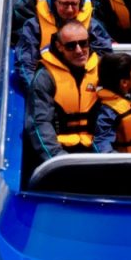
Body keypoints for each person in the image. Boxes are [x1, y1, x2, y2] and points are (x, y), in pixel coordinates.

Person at [14, 0, 112, 94]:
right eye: (64, 4)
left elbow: (105, 58)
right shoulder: (34, 26)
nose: (70, 9)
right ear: (54, 2)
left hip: (88, 90)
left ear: (80, 3)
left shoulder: (92, 26)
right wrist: (39, 92)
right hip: (48, 88)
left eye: (74, 4)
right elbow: (26, 64)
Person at [24, 22, 101, 165]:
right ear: (60, 47)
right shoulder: (45, 77)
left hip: (97, 150)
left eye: (83, 44)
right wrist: (59, 160)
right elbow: (39, 123)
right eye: (71, 46)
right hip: (61, 155)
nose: (79, 50)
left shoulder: (102, 69)